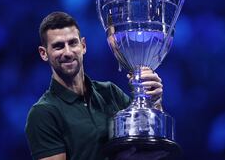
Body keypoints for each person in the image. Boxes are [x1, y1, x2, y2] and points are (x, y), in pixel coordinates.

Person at [25, 12, 164, 160]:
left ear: (83, 46)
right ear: (44, 53)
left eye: (73, 43)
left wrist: (153, 101)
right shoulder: (42, 114)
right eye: (58, 46)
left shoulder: (110, 92)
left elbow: (147, 138)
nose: (67, 52)